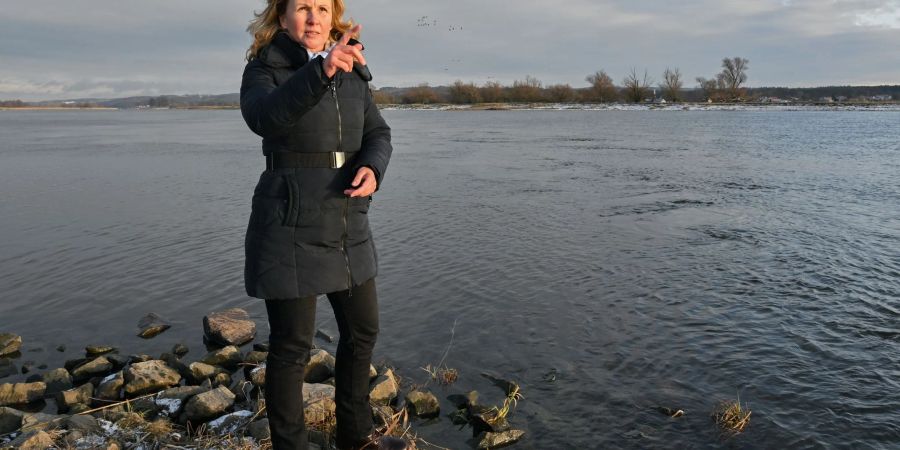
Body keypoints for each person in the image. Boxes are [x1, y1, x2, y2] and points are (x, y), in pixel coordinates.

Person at [239, 1, 403, 449]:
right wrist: (321, 72)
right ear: (283, 16)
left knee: (362, 331)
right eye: (302, 8)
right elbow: (265, 118)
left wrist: (373, 167)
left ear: (334, 17)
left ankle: (357, 437)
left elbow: (378, 133)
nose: (313, 18)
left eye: (321, 8)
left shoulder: (353, 69)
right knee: (292, 348)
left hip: (348, 219)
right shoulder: (263, 68)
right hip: (289, 220)